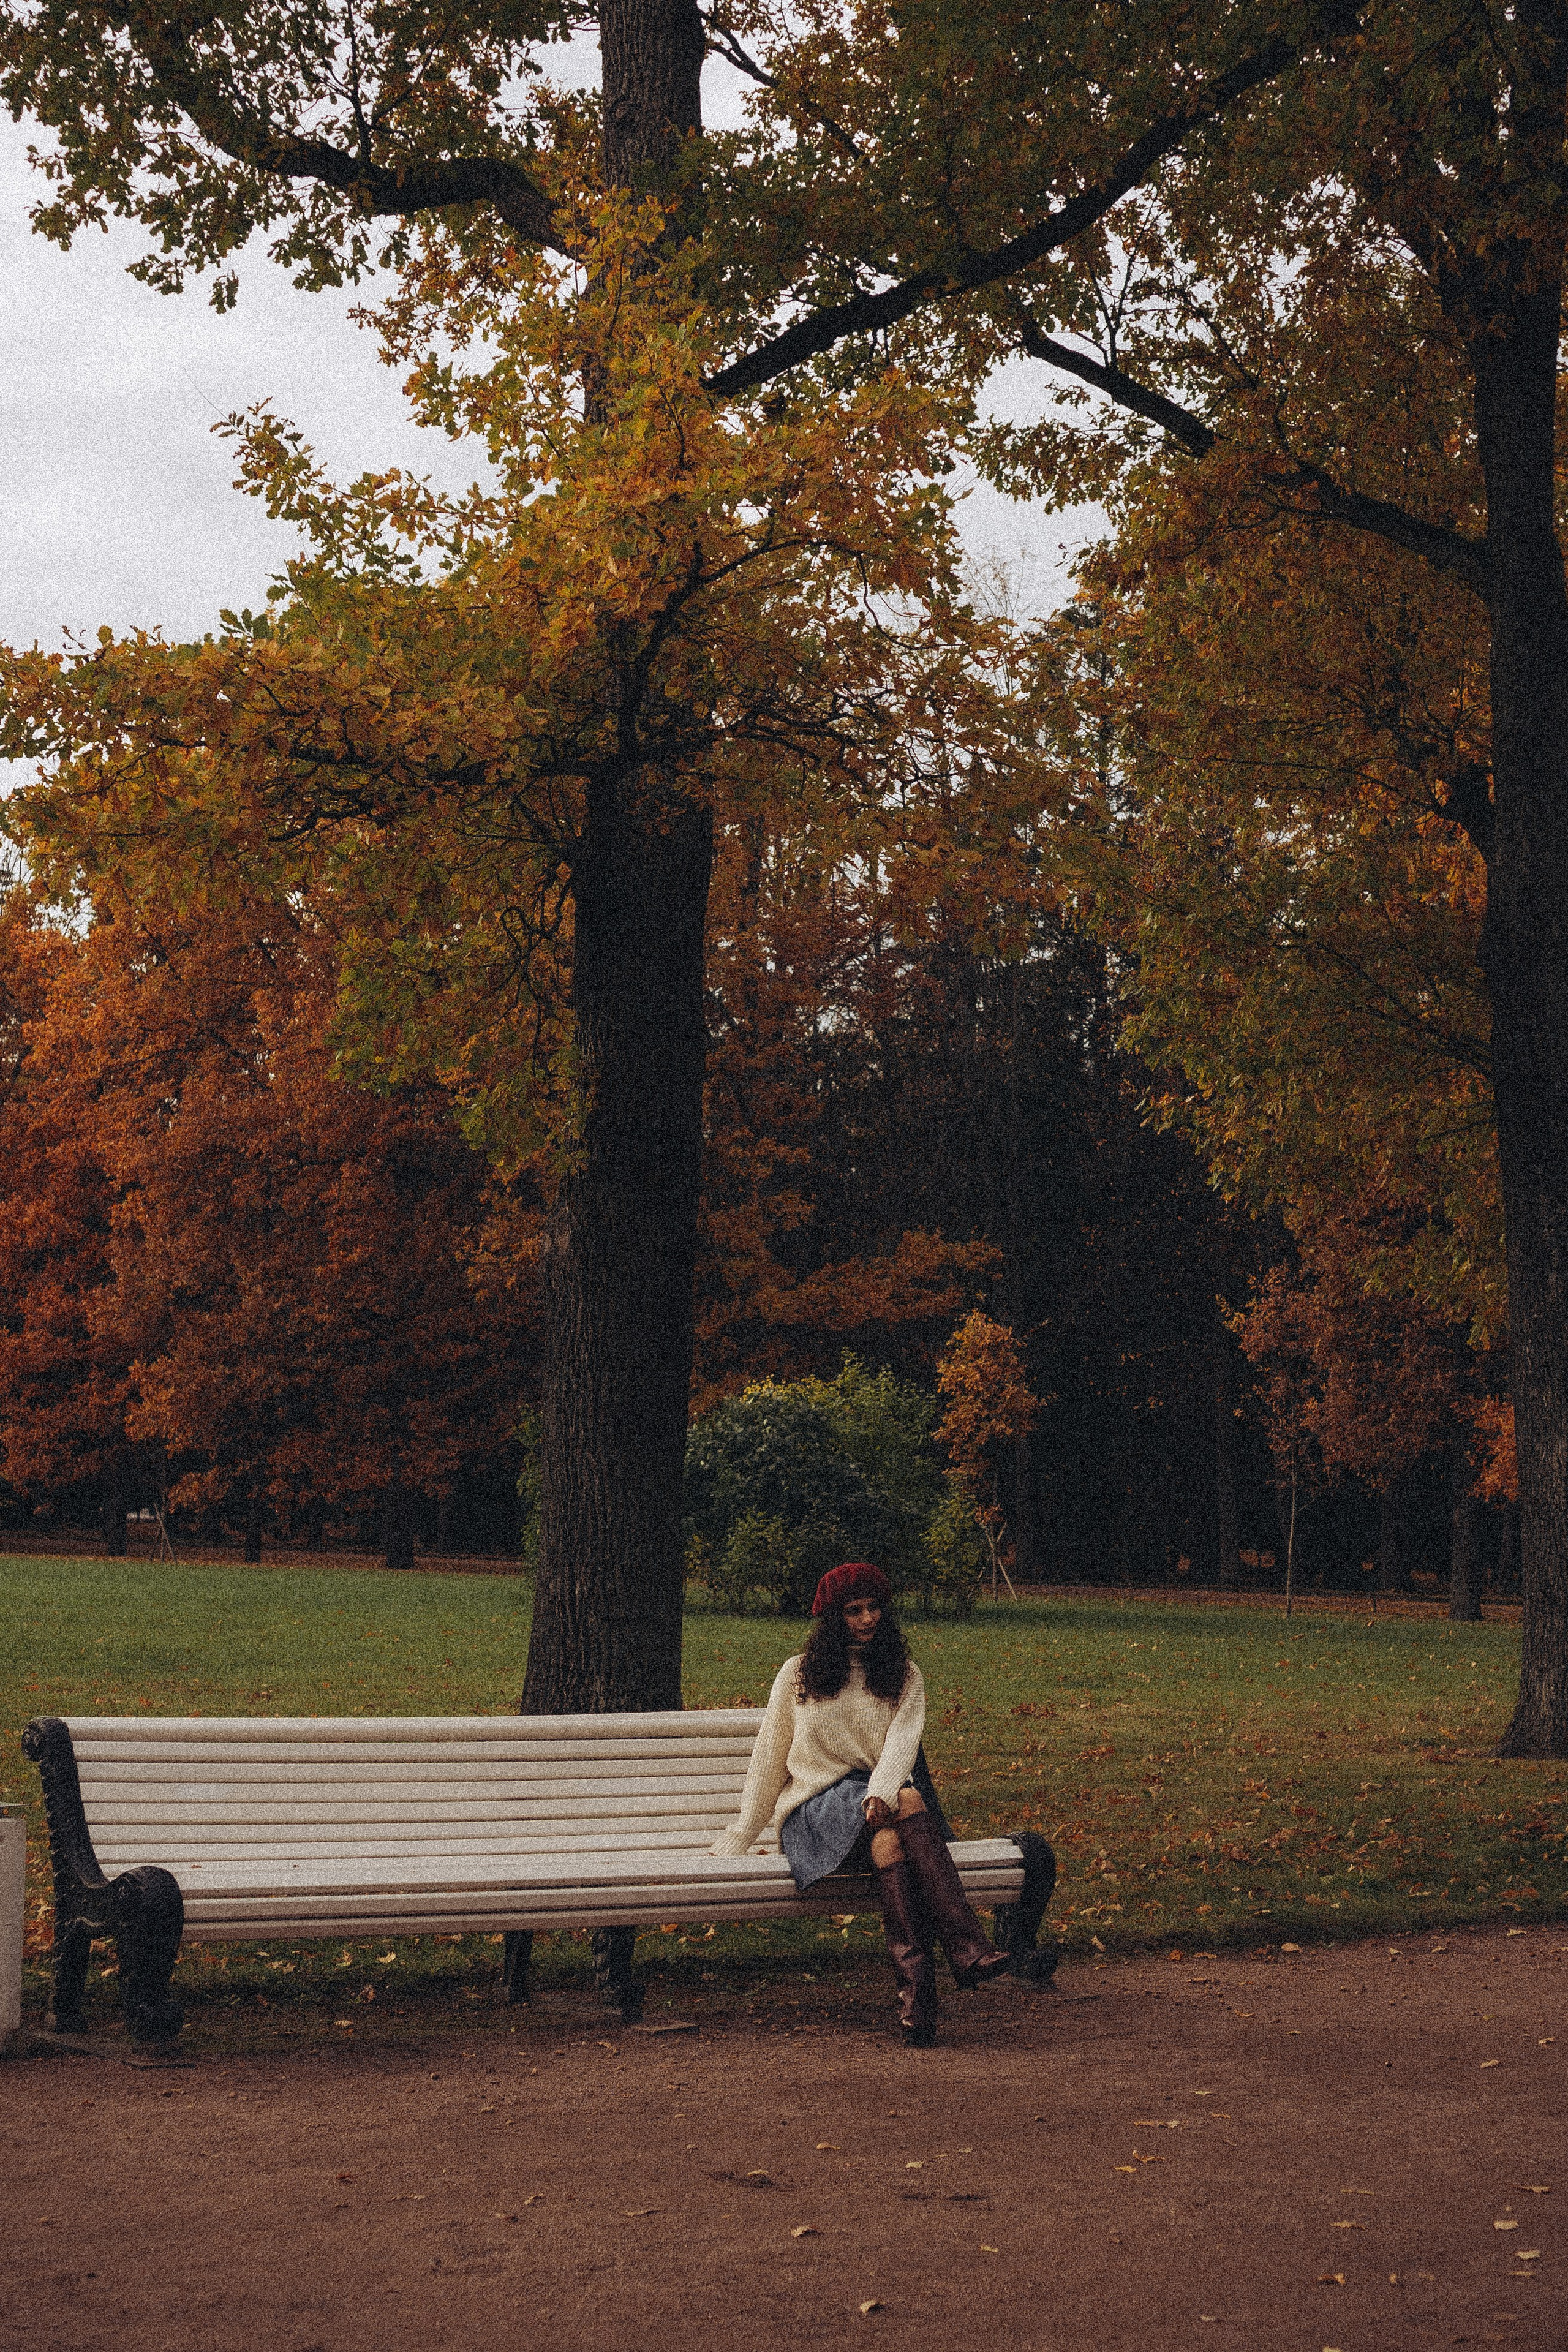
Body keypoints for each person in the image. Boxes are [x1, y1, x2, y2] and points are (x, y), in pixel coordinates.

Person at [709, 1560, 1009, 2046]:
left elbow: (901, 1744)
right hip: (814, 1812)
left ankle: (918, 2005)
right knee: (908, 1799)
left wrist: (879, 1793)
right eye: (854, 1610)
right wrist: (744, 1832)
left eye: (874, 1608)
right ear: (833, 1617)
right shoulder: (798, 1675)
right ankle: (968, 1948)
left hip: (878, 1807)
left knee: (890, 1842)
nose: (868, 1619)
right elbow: (770, 1758)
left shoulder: (903, 1675)